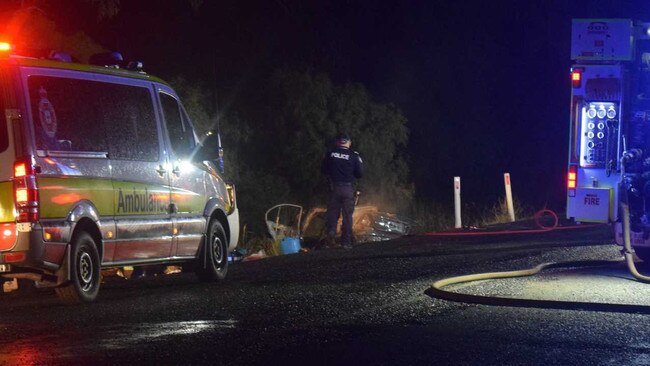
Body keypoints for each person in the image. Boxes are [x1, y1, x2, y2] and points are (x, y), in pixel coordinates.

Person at [321, 132, 363, 249]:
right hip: (347, 189)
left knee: (332, 214)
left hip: (334, 188)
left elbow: (323, 170)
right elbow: (359, 174)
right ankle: (346, 242)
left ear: (337, 142)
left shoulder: (330, 153)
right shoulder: (354, 155)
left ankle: (330, 237)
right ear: (349, 143)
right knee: (347, 216)